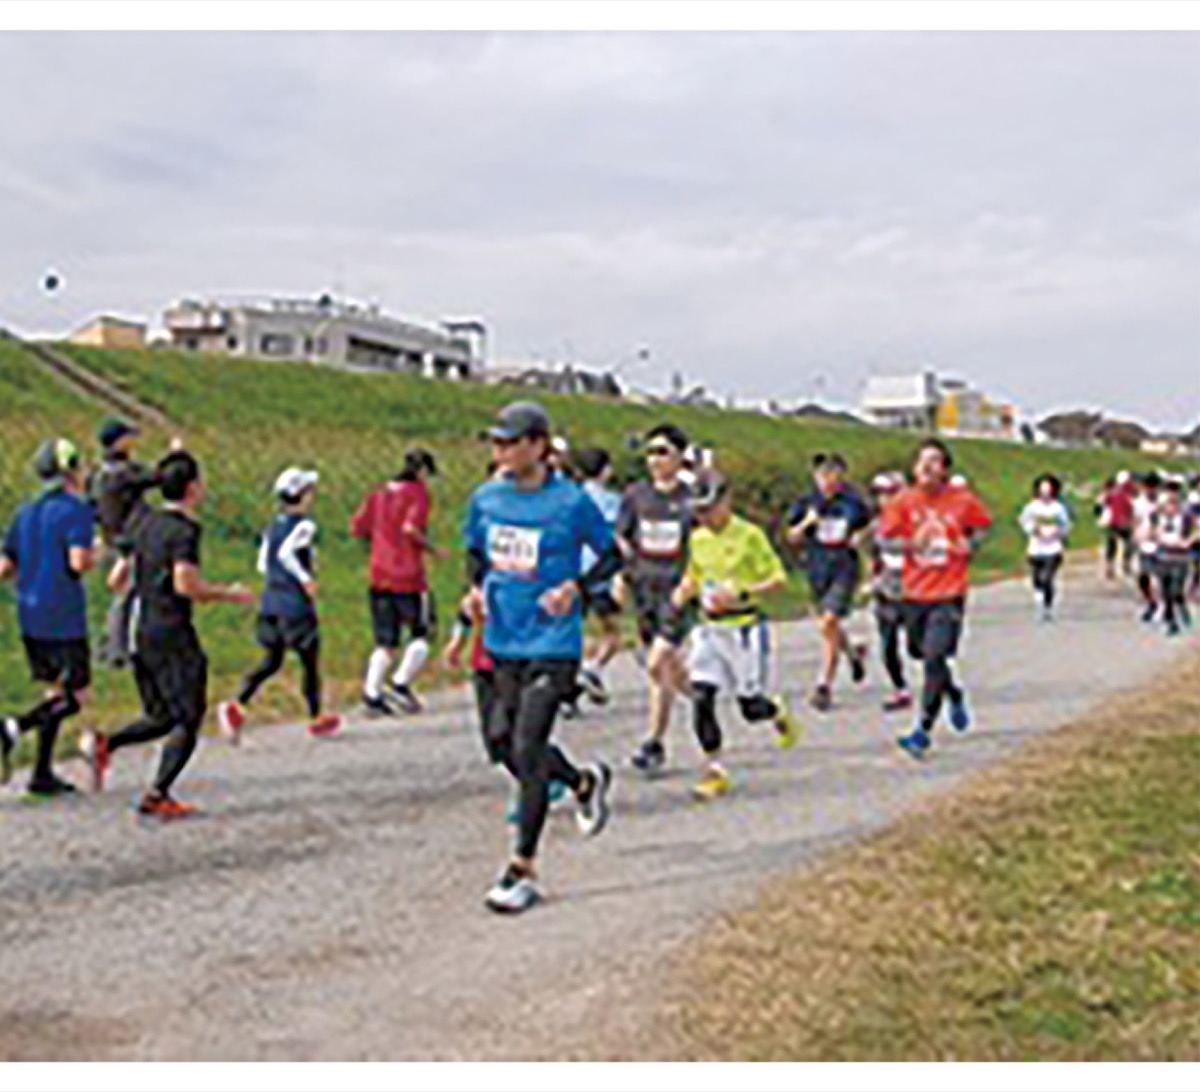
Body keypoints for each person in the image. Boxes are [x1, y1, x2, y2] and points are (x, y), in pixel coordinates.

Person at [463, 401, 619, 914]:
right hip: (502, 640)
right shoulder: (486, 497)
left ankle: (522, 868)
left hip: (553, 644)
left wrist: (576, 586)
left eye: (510, 442)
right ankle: (581, 780)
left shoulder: (571, 502)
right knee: (503, 744)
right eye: (496, 442)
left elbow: (612, 553)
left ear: (538, 445)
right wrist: (474, 591)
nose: (500, 451)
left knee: (529, 744)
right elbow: (476, 553)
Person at [80, 451, 256, 816]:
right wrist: (229, 592)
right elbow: (185, 584)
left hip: (139, 628)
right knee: (189, 715)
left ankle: (106, 744)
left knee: (161, 715)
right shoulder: (184, 530)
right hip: (171, 629)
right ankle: (158, 793)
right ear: (193, 489)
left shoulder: (145, 523)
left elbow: (117, 580)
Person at [671, 470, 801, 800]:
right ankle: (714, 770)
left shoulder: (750, 535)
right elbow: (694, 574)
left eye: (709, 508)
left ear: (726, 501)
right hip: (709, 630)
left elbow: (778, 580)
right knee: (702, 698)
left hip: (744, 629)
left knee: (750, 708)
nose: (704, 517)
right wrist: (683, 591)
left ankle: (775, 710)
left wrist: (743, 592)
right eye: (698, 511)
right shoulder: (698, 538)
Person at [878, 439, 992, 760]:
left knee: (934, 657)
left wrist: (970, 545)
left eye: (935, 462)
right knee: (920, 653)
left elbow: (982, 528)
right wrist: (912, 544)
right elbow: (885, 541)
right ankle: (953, 692)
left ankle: (922, 731)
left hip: (949, 594)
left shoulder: (962, 500)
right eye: (922, 461)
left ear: (945, 470)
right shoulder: (903, 502)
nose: (927, 467)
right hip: (914, 593)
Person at [0, 439, 96, 794]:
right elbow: (78, 562)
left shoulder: (24, 513)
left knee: (53, 691)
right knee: (76, 696)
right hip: (64, 614)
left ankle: (41, 773)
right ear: (70, 470)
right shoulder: (76, 510)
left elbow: (5, 567)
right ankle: (13, 727)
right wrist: (95, 554)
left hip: (30, 612)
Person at [218, 468, 340, 742]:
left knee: (271, 660)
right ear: (302, 496)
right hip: (294, 603)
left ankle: (238, 702)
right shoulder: (305, 525)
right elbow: (287, 554)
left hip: (270, 601)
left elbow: (263, 562)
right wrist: (305, 579)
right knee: (309, 661)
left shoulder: (273, 526)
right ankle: (315, 715)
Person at [617, 424, 694, 775]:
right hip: (645, 589)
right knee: (666, 669)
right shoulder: (636, 496)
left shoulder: (692, 499)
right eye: (650, 452)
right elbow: (623, 540)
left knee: (656, 663)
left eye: (663, 451)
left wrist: (694, 582)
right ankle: (698, 694)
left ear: (681, 456)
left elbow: (704, 545)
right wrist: (620, 576)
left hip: (678, 592)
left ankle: (653, 742)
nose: (655, 459)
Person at [351, 448, 446, 717]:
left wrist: (381, 543)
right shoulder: (418, 494)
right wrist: (431, 549)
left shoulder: (379, 493)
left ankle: (371, 693)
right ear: (422, 471)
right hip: (408, 575)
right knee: (423, 633)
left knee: (385, 641)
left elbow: (359, 527)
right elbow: (410, 528)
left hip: (379, 573)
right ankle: (401, 683)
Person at [786, 452, 871, 711]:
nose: (828, 480)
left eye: (833, 473)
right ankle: (852, 654)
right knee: (829, 627)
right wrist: (805, 524)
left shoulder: (853, 501)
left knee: (829, 621)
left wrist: (861, 535)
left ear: (842, 476)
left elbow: (869, 524)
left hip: (844, 567)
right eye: (823, 474)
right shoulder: (806, 502)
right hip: (816, 568)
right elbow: (791, 538)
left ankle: (824, 686)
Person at [87, 418, 160, 668]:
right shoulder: (123, 472)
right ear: (117, 442)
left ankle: (108, 647)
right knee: (127, 596)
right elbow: (157, 477)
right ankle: (118, 651)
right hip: (128, 541)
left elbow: (91, 506)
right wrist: (176, 455)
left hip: (109, 538)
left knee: (121, 596)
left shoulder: (96, 472)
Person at [573, 446, 623, 706]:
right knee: (612, 632)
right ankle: (592, 668)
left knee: (572, 630)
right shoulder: (612, 501)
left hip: (572, 572)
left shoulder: (572, 497)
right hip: (601, 572)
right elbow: (618, 538)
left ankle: (571, 680)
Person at [867, 471, 912, 712]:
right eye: (880, 494)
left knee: (920, 646)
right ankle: (900, 688)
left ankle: (939, 683)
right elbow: (875, 557)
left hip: (915, 591)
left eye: (891, 493)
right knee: (887, 644)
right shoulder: (878, 525)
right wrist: (873, 580)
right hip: (886, 590)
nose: (885, 499)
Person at [1019, 473, 1072, 622]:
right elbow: (1024, 522)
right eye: (1042, 492)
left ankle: (1048, 607)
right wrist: (1034, 530)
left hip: (1053, 548)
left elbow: (1066, 525)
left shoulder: (1058, 508)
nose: (1045, 495)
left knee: (1048, 578)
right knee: (1037, 578)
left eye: (1048, 492)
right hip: (1035, 548)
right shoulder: (1031, 507)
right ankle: (1039, 601)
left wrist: (1058, 532)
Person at [1153, 479, 1196, 637]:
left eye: (1174, 492)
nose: (1171, 495)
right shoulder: (1158, 512)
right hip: (1163, 554)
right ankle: (1171, 620)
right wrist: (1154, 538)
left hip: (1180, 556)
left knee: (1175, 589)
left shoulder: (1186, 513)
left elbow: (1196, 530)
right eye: (1168, 491)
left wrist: (1188, 542)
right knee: (1165, 590)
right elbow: (1151, 528)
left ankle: (1180, 606)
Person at [1132, 472, 1162, 622]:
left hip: (1162, 544)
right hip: (1144, 544)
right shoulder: (1139, 503)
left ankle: (1163, 605)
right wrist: (1136, 535)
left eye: (1154, 487)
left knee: (1160, 576)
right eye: (1148, 487)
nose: (1151, 490)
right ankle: (1151, 602)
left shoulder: (1162, 503)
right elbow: (1135, 520)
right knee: (1143, 576)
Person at [1097, 471, 1135, 580]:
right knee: (1127, 544)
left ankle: (1113, 566)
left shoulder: (1114, 492)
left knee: (1114, 545)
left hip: (1115, 522)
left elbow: (1103, 502)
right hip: (1121, 522)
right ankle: (1123, 564)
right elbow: (1130, 506)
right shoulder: (1126, 491)